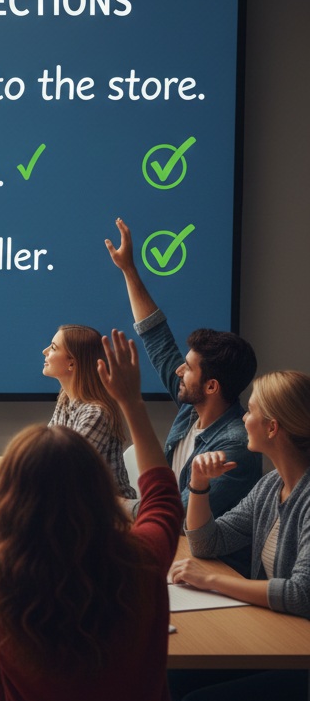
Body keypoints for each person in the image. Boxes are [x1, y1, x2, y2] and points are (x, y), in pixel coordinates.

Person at [0, 330, 184, 701]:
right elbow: (162, 495)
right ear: (98, 485)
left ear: (10, 495)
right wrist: (133, 402)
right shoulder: (144, 558)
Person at [167, 370, 310, 701]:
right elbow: (206, 542)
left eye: (250, 411)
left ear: (272, 426)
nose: (243, 419)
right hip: (277, 644)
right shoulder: (270, 486)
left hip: (302, 663)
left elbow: (300, 593)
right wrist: (199, 485)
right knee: (170, 679)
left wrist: (212, 581)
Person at [106, 217, 259, 567]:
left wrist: (113, 503)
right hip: (176, 555)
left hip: (209, 568)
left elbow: (177, 516)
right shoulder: (195, 409)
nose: (178, 370)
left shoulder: (234, 446)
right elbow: (157, 339)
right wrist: (129, 270)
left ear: (211, 386)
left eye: (187, 368)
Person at [43, 323, 135, 498]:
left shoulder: (96, 413)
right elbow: (45, 448)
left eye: (53, 348)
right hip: (74, 503)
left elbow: (64, 469)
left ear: (72, 363)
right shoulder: (65, 398)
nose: (45, 351)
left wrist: (16, 469)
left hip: (108, 512)